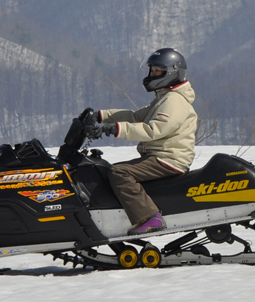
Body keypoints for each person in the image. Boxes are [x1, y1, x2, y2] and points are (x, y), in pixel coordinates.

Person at [82, 48, 198, 234]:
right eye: (151, 70)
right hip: (161, 156)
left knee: (120, 172)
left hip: (169, 159)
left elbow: (154, 130)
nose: (152, 74)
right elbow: (136, 116)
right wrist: (101, 116)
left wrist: (114, 129)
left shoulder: (174, 101)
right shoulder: (165, 97)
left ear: (172, 72)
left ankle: (150, 218)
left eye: (157, 71)